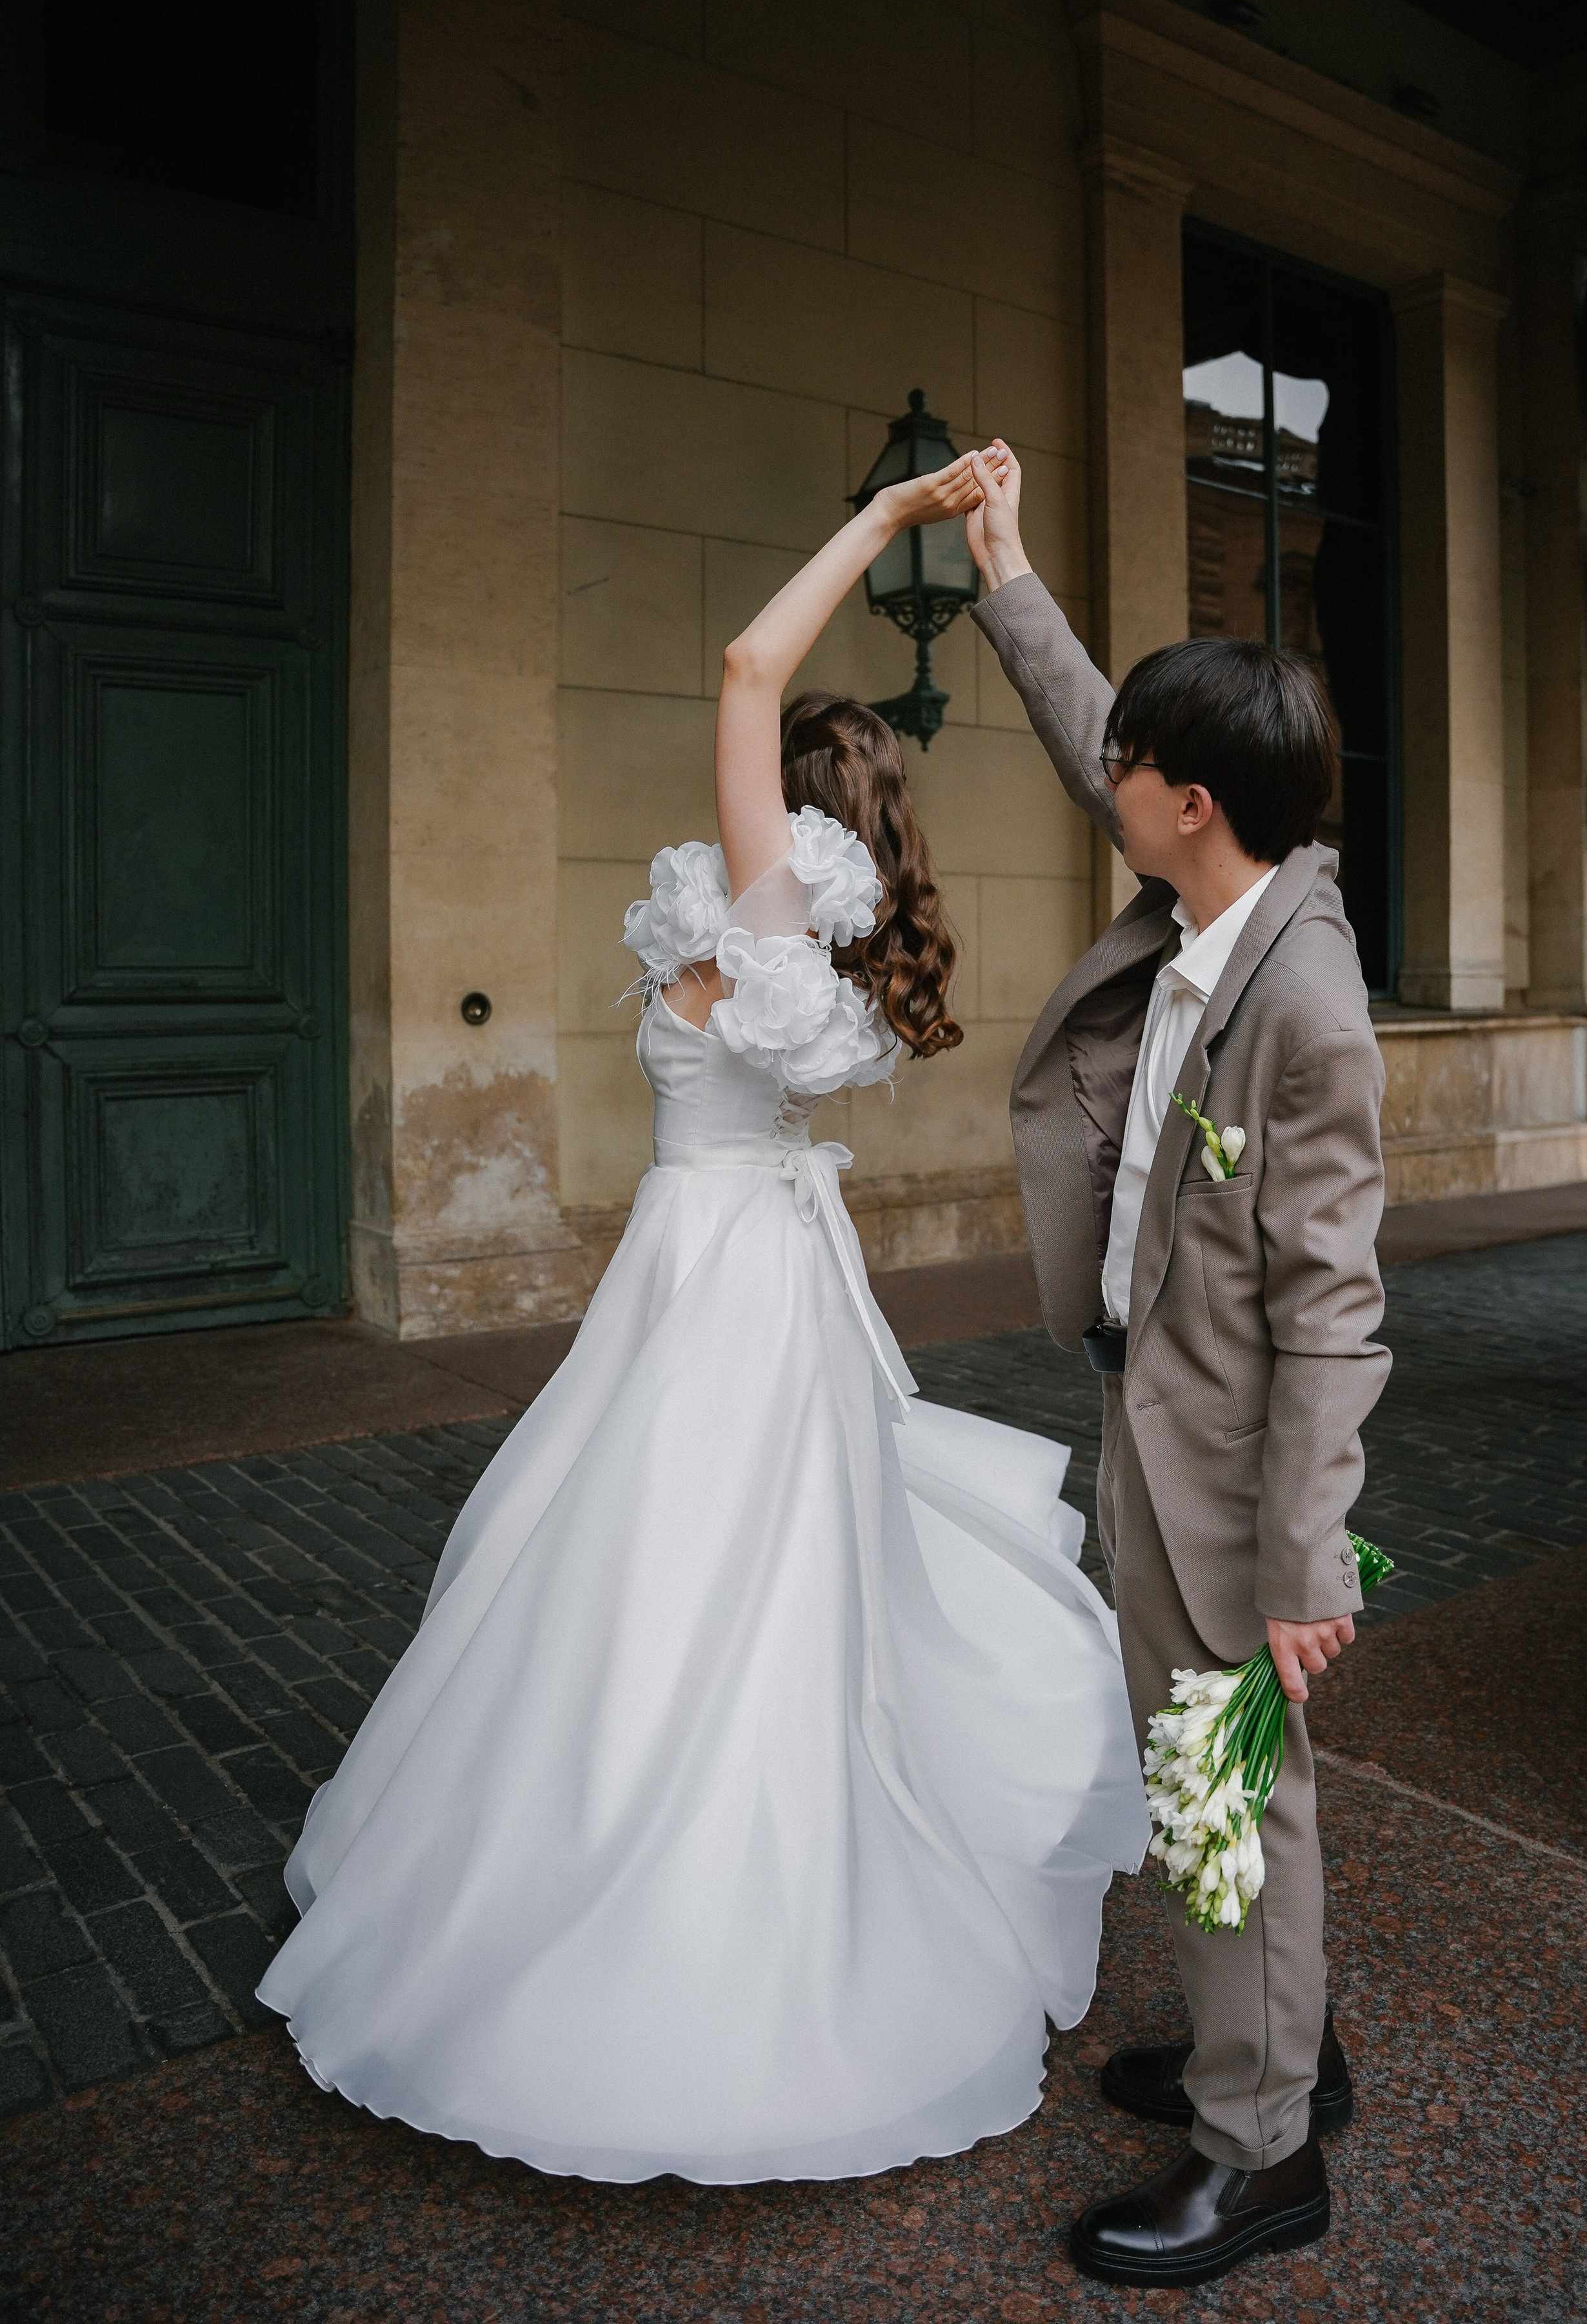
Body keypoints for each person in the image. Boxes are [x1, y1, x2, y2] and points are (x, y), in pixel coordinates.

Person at [256, 452, 1150, 2186]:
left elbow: (746, 666)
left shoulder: (760, 896)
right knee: (744, 1564)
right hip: (761, 1256)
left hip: (712, 1261)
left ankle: (673, 1914)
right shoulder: (823, 921)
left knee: (660, 1560)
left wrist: (886, 526)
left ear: (796, 804)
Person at [964, 442, 1390, 2289]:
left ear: (1193, 803)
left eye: (1131, 777)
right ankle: (1272, 2041)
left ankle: (1260, 2149)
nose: (1103, 787)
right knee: (1204, 1777)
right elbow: (1090, 727)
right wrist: (1003, 567)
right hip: (1156, 1401)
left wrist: (1306, 1562)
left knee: (1229, 1779)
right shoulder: (1221, 885)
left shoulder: (1300, 993)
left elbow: (1336, 1301)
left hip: (1228, 1459)